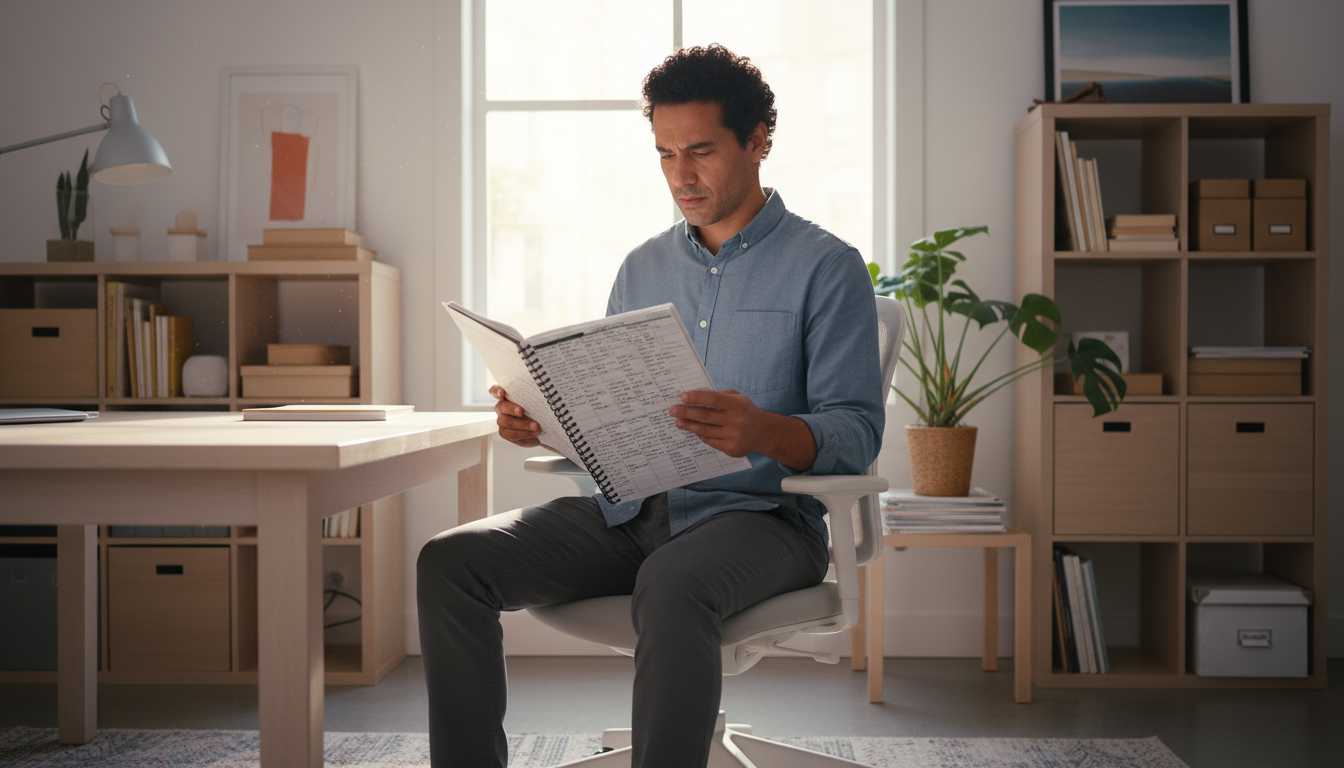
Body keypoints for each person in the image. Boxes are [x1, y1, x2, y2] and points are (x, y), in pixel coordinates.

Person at [417, 44, 884, 768]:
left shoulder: (828, 268)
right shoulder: (641, 267)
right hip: (631, 515)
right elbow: (612, 424)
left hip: (762, 524)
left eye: (700, 151)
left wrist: (762, 430)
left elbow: (855, 435)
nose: (680, 176)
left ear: (758, 141)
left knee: (672, 584)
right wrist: (542, 422)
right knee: (452, 562)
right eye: (665, 154)